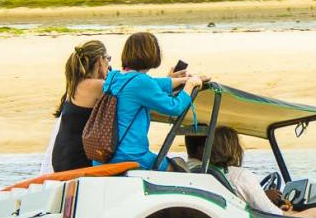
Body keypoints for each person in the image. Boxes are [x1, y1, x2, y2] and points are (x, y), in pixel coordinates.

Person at [98, 32, 203, 170]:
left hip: (104, 155)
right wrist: (190, 85)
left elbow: (150, 83)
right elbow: (174, 107)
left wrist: (181, 80)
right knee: (179, 169)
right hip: (130, 155)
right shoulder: (142, 82)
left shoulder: (113, 77)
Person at [209, 126, 316, 218]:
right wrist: (288, 212)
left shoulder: (214, 173)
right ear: (233, 149)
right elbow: (274, 214)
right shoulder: (241, 175)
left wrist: (268, 199)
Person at [50, 40, 110, 172]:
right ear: (100, 60)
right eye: (108, 59)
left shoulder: (76, 85)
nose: (109, 65)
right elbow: (128, 93)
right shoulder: (97, 86)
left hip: (61, 159)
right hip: (77, 161)